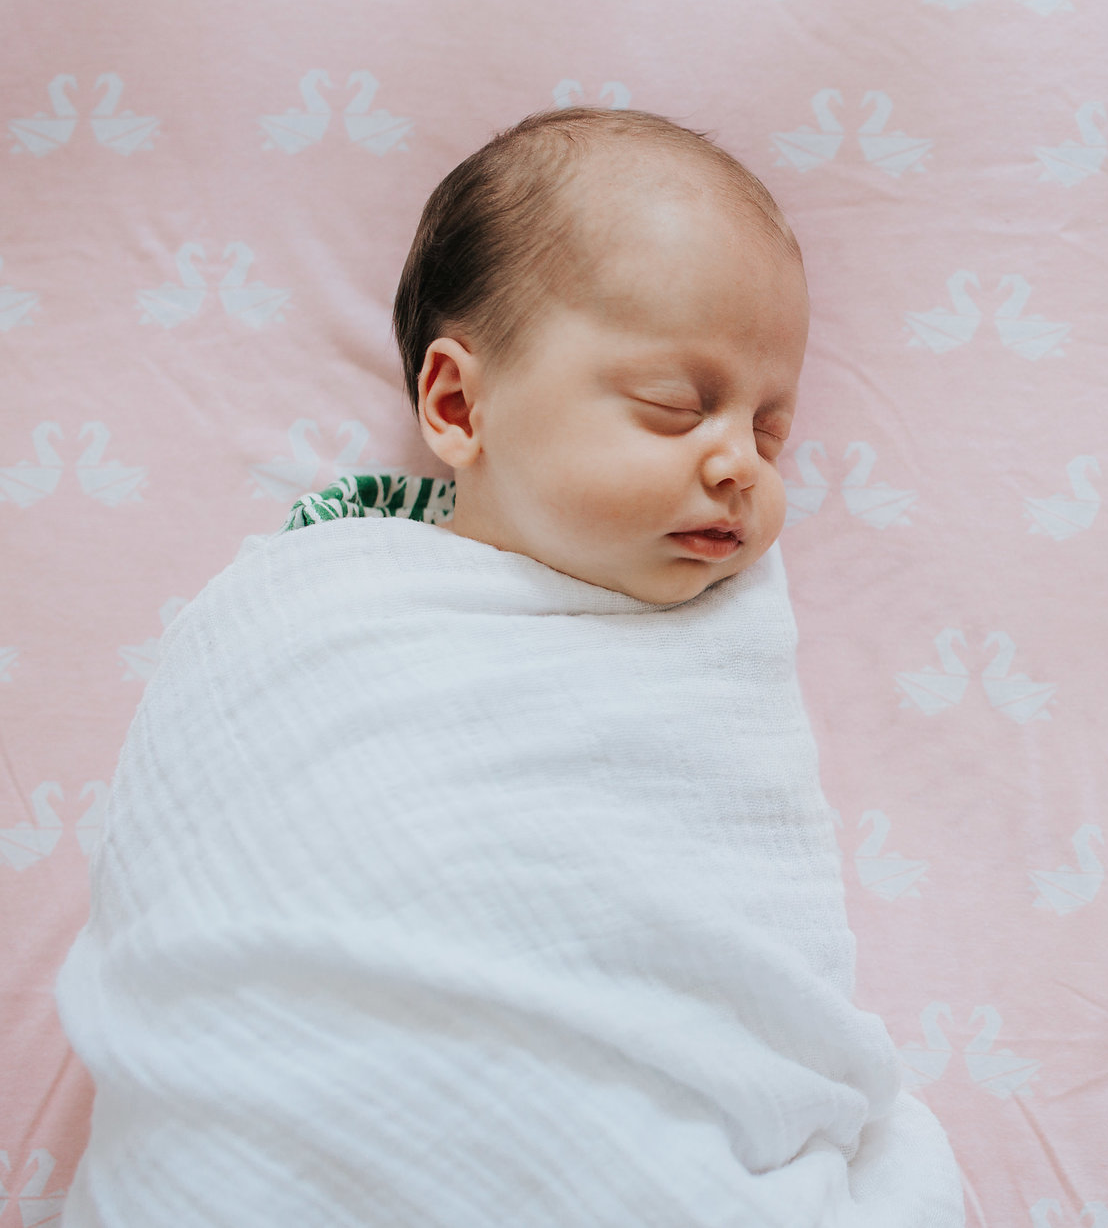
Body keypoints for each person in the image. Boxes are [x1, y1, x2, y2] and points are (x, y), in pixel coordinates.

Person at [53, 107, 967, 1227]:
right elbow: (224, 872)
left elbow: (731, 942)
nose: (736, 462)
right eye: (673, 407)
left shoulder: (717, 643)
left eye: (771, 430)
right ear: (456, 404)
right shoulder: (306, 614)